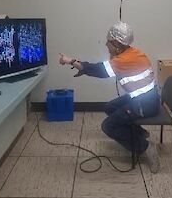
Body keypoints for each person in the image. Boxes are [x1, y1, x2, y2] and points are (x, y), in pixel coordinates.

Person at [59, 21, 160, 173]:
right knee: (109, 107)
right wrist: (85, 69)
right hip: (144, 98)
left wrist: (71, 61)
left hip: (145, 105)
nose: (106, 45)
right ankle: (139, 133)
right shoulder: (133, 53)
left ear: (117, 44)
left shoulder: (124, 60)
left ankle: (146, 148)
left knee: (108, 126)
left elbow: (98, 70)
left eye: (108, 42)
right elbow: (97, 69)